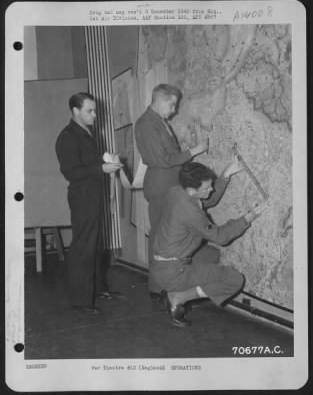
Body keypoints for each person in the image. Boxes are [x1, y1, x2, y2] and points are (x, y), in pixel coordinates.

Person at [151, 161, 266, 327]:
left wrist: (225, 175)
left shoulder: (176, 191)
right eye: (207, 187)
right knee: (234, 279)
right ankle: (176, 297)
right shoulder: (189, 212)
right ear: (191, 190)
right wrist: (249, 217)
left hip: (161, 265)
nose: (211, 189)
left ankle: (177, 290)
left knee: (212, 255)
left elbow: (207, 200)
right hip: (173, 272)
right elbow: (221, 237)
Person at [135, 84, 207, 295]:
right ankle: (157, 288)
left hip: (169, 185)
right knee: (159, 237)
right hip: (160, 186)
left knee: (168, 237)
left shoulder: (158, 122)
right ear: (159, 99)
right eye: (172, 104)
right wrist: (194, 151)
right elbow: (161, 159)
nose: (174, 109)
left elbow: (169, 154)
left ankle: (167, 285)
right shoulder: (146, 123)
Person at [55, 92, 123, 315]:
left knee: (97, 243)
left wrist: (106, 157)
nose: (95, 115)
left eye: (94, 110)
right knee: (83, 246)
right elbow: (71, 172)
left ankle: (98, 289)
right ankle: (81, 301)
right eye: (89, 111)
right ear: (76, 111)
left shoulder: (86, 132)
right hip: (83, 195)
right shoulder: (67, 137)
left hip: (94, 193)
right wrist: (101, 169)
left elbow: (88, 159)